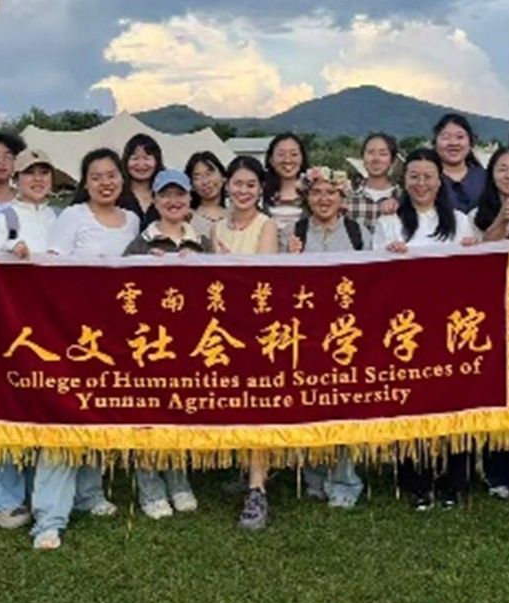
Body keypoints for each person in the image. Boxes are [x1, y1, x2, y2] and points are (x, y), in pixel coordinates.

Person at [32, 149, 136, 549]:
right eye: (96, 176)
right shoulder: (73, 217)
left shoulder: (133, 220)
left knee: (99, 411)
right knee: (65, 417)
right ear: (85, 182)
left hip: (117, 335)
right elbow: (51, 270)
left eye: (111, 175)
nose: (105, 183)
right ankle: (49, 517)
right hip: (73, 332)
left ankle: (89, 493)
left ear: (121, 179)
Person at [373, 148, 477, 509]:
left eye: (428, 176)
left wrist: (472, 252)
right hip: (405, 329)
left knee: (453, 400)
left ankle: (454, 480)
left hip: (449, 328)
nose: (421, 183)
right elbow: (371, 275)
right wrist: (389, 258)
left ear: (439, 180)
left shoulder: (460, 222)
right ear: (404, 181)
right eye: (414, 176)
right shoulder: (388, 222)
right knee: (410, 401)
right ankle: (416, 480)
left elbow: (474, 275)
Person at [0, 148, 59, 530]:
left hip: (49, 325)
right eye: (31, 173)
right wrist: (11, 250)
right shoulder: (5, 218)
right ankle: (2, 499)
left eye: (44, 173)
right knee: (9, 404)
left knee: (40, 405)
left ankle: (34, 491)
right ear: (17, 178)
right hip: (13, 327)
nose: (38, 179)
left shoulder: (55, 217)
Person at [124, 169, 208, 518]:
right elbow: (122, 293)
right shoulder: (141, 243)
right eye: (166, 195)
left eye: (180, 195)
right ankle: (150, 486)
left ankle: (178, 480)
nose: (173, 201)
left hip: (188, 341)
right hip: (149, 343)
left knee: (178, 411)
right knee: (147, 413)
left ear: (189, 199)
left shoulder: (201, 242)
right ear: (155, 201)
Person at [287, 166, 366, 508]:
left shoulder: (358, 232)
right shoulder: (294, 232)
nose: (324, 199)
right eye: (317, 192)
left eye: (331, 192)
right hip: (306, 333)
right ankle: (315, 476)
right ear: (307, 197)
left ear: (342, 197)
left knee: (343, 407)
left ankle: (345, 481)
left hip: (345, 334)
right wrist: (289, 258)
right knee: (311, 404)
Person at [212, 156, 280, 530]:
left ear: (260, 189)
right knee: (235, 401)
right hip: (226, 327)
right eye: (238, 183)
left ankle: (258, 488)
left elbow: (263, 277)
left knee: (259, 405)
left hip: (258, 326)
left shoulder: (266, 225)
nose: (243, 191)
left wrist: (230, 261)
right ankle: (246, 468)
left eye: (251, 185)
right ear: (227, 185)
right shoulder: (216, 227)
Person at [471, 146, 509, 498]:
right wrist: (503, 220)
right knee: (496, 387)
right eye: (502, 169)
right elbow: (483, 251)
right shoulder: (479, 213)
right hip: (493, 310)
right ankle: (496, 469)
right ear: (491, 175)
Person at [343, 132, 400, 234]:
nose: (376, 159)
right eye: (370, 153)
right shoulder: (347, 197)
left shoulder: (402, 198)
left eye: (383, 154)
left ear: (392, 160)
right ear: (363, 158)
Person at [433, 113, 487, 214]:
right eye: (446, 137)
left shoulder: (486, 178)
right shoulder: (427, 179)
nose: (453, 143)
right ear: (435, 143)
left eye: (460, 137)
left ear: (470, 142)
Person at [262, 133, 307, 246]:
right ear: (271, 160)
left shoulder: (313, 191)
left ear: (302, 158)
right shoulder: (259, 192)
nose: (287, 160)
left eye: (294, 154)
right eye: (281, 154)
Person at [119, 133, 164, 226]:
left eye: (147, 158)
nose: (141, 164)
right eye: (135, 158)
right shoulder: (117, 194)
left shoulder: (166, 193)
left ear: (157, 161)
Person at [185, 150, 228, 243]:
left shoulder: (236, 215)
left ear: (223, 177)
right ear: (191, 185)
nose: (205, 181)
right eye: (197, 177)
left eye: (209, 174)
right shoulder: (186, 216)